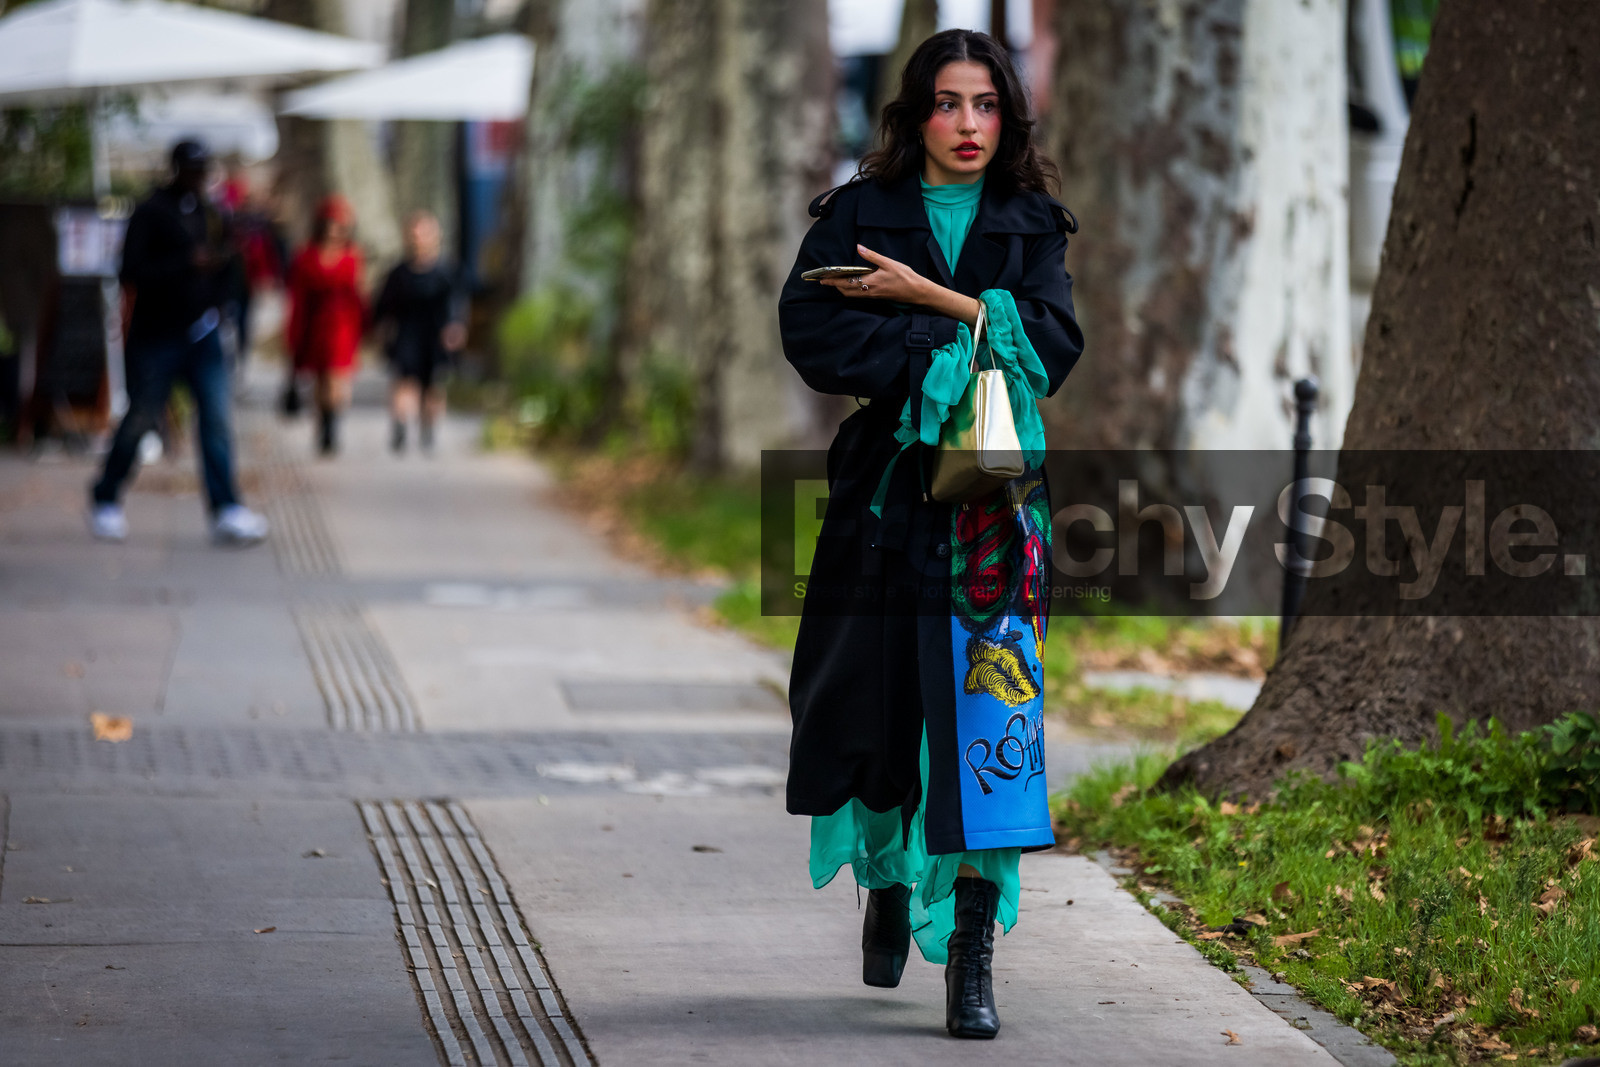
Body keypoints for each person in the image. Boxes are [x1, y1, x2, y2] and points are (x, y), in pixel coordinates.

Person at [777, 30, 1083, 1039]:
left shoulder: (1031, 222)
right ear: (915, 115)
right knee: (876, 709)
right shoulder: (860, 213)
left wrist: (924, 299)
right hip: (883, 503)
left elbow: (1050, 345)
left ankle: (972, 956)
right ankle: (886, 882)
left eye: (985, 105)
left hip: (992, 513)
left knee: (987, 723)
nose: (966, 125)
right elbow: (811, 330)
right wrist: (947, 342)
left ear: (1008, 116)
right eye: (947, 104)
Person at [88, 140, 270, 546]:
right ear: (176, 170)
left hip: (203, 333)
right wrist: (185, 263)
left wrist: (221, 300)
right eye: (193, 170)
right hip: (157, 337)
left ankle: (226, 507)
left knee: (217, 420)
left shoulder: (212, 213)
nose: (199, 178)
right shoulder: (152, 212)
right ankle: (105, 496)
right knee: (140, 420)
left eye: (204, 170)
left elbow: (228, 266)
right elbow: (130, 270)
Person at [370, 211, 465, 454]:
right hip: (406, 333)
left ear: (435, 236)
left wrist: (455, 327)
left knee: (433, 384)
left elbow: (456, 303)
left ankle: (428, 428)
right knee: (404, 381)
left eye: (424, 233)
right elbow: (383, 305)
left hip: (436, 335)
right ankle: (400, 425)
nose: (419, 239)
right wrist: (380, 329)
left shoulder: (446, 271)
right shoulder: (399, 273)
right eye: (415, 234)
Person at [285, 195, 364, 455]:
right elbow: (298, 295)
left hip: (342, 324)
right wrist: (293, 331)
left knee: (337, 376)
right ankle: (323, 421)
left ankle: (333, 423)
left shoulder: (352, 255)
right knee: (319, 378)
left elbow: (357, 294)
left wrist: (365, 325)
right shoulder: (306, 256)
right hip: (315, 323)